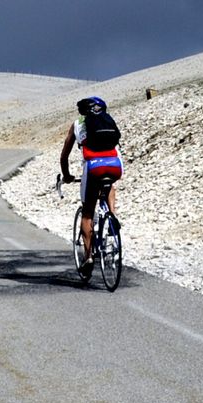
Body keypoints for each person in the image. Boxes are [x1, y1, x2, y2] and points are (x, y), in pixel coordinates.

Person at [59, 95, 121, 276]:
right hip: (116, 166)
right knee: (109, 184)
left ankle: (88, 257)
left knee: (87, 212)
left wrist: (67, 175)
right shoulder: (108, 121)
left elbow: (64, 156)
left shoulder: (78, 124)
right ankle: (112, 216)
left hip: (93, 166)